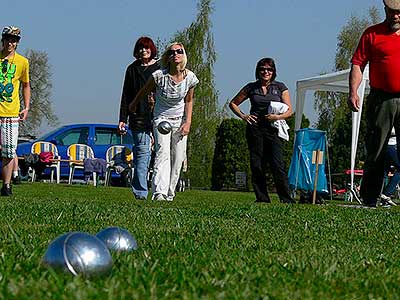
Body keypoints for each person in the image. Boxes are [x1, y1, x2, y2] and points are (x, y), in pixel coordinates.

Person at [129, 42, 199, 201]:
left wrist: (187, 122)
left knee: (178, 158)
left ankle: (169, 193)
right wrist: (133, 104)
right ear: (167, 57)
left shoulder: (190, 78)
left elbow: (189, 101)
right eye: (172, 52)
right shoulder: (159, 76)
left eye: (179, 51)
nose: (176, 54)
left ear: (183, 55)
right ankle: (159, 192)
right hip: (161, 120)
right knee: (163, 154)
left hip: (180, 121)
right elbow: (143, 91)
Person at [348, 0, 400, 207]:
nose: (395, 16)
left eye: (399, 13)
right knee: (376, 150)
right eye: (392, 12)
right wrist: (353, 92)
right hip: (381, 99)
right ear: (385, 10)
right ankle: (369, 199)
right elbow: (358, 64)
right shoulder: (372, 34)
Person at [229, 57, 294, 203]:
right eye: (263, 69)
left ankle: (286, 199)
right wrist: (244, 116)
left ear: (273, 71)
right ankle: (262, 198)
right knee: (257, 164)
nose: (266, 72)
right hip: (255, 129)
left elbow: (290, 111)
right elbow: (233, 103)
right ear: (258, 71)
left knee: (278, 164)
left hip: (273, 129)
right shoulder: (251, 87)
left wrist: (277, 117)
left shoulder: (280, 87)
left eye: (269, 69)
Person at [118, 37, 159, 200]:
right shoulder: (132, 70)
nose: (144, 51)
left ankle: (161, 190)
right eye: (140, 48)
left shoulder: (160, 69)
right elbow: (126, 95)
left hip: (158, 117)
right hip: (138, 118)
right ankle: (141, 192)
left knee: (160, 156)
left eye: (146, 48)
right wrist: (122, 118)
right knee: (142, 153)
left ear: (152, 50)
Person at [0, 26, 30, 196]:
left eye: (14, 40)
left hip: (11, 113)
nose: (10, 43)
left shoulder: (22, 62)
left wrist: (26, 107)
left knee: (9, 151)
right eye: (7, 39)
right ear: (2, 40)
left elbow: (26, 85)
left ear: (17, 43)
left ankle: (7, 184)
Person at [381, 128, 399, 205]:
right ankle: (386, 194)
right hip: (391, 145)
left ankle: (380, 197)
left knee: (384, 171)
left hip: (384, 145)